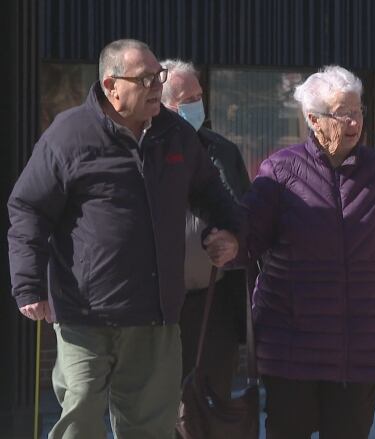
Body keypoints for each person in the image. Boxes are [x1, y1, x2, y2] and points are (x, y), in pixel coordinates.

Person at [7, 39, 242, 439]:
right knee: (79, 417)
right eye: (145, 78)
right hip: (85, 313)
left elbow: (213, 194)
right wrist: (28, 284)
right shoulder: (69, 135)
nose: (156, 86)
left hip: (155, 315)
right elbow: (29, 209)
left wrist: (231, 233)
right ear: (111, 85)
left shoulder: (176, 136)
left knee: (150, 427)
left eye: (159, 76)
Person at [242, 65, 375, 439]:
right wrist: (223, 241)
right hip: (293, 341)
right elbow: (248, 238)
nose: (353, 121)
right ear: (313, 120)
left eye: (357, 111)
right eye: (342, 113)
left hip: (359, 342)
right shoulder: (280, 171)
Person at [161, 58, 251, 400]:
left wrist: (232, 237)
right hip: (156, 301)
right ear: (162, 102)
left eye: (200, 96)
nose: (198, 105)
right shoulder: (142, 148)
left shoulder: (221, 150)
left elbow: (244, 213)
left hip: (213, 299)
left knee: (212, 400)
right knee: (158, 401)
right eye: (188, 100)